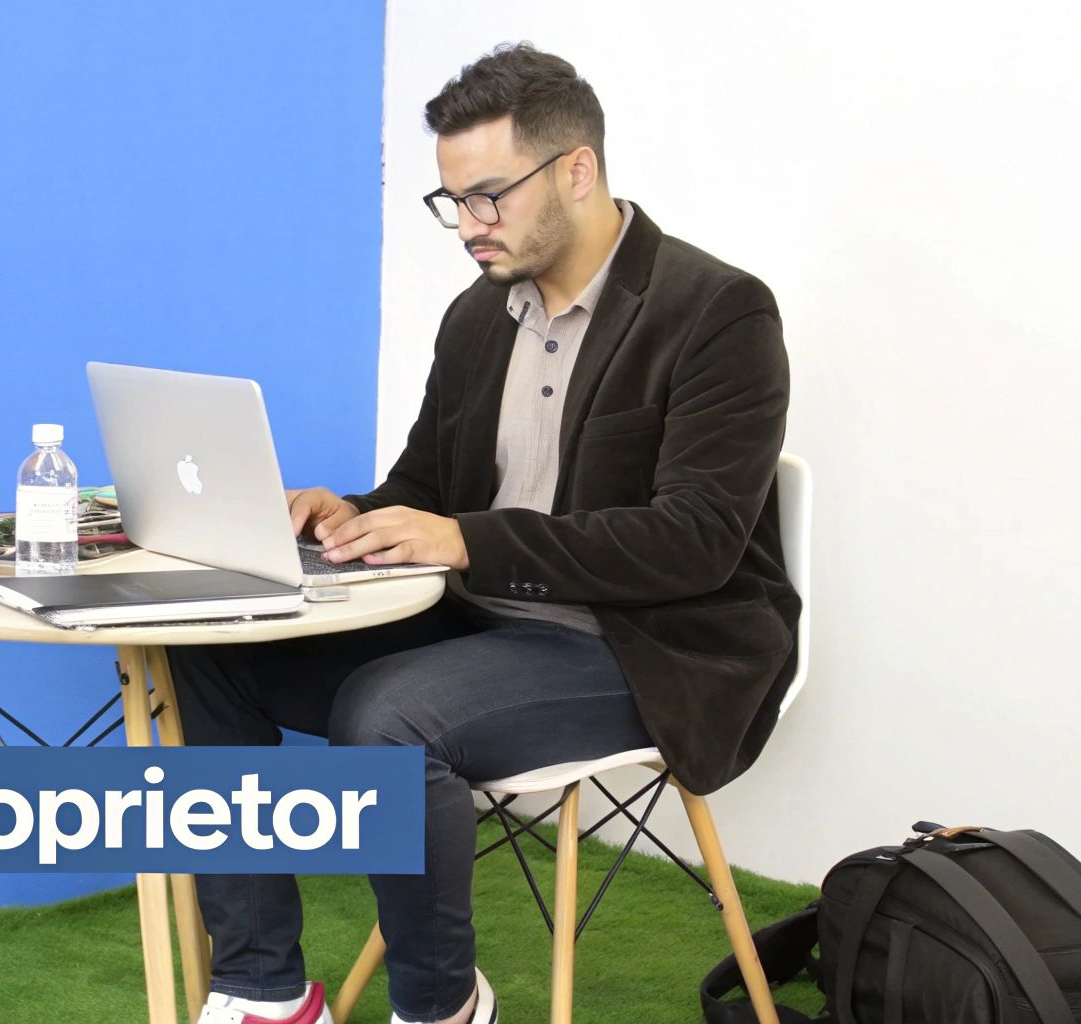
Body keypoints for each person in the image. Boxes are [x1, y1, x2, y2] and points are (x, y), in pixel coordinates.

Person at [173, 42, 799, 1024]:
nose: (467, 224)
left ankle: (442, 1005)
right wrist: (350, 511)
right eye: (452, 201)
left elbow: (695, 540)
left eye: (489, 196)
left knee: (386, 714)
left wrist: (464, 541)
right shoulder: (477, 315)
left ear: (577, 170)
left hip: (639, 641)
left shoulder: (715, 311)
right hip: (479, 622)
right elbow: (428, 485)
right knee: (207, 652)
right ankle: (264, 988)